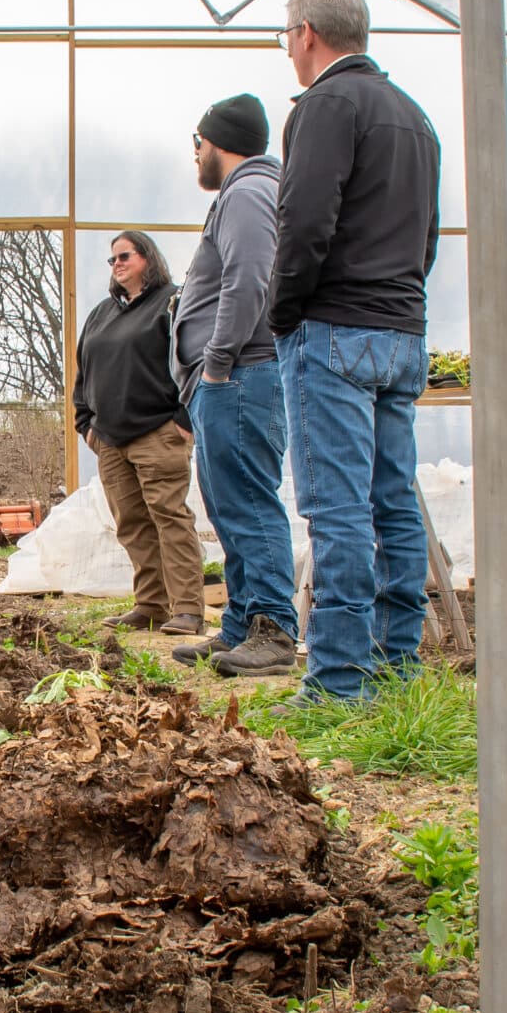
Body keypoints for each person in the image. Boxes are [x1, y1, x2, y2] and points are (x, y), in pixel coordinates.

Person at [271, 0, 441, 702]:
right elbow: (426, 237)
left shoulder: (325, 106)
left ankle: (340, 681)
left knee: (337, 507)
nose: (287, 47)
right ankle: (398, 666)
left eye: (286, 34)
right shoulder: (415, 118)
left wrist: (284, 309)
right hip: (401, 329)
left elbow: (305, 221)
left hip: (336, 328)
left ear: (307, 32)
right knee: (393, 501)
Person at [171, 95, 301, 679]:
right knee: (229, 508)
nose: (194, 155)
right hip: (229, 378)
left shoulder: (247, 193)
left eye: (196, 144)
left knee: (248, 503)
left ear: (217, 143)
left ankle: (273, 630)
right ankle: (242, 626)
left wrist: (218, 362)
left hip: (241, 374)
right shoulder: (245, 193)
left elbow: (249, 281)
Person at [73, 231, 203, 638]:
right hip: (110, 438)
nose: (116, 265)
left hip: (157, 431)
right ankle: (150, 604)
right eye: (111, 260)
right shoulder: (101, 313)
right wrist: (85, 424)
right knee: (131, 523)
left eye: (124, 256)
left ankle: (187, 610)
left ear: (147, 257)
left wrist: (183, 417)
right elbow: (84, 370)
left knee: (169, 516)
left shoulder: (172, 303)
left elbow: (194, 360)